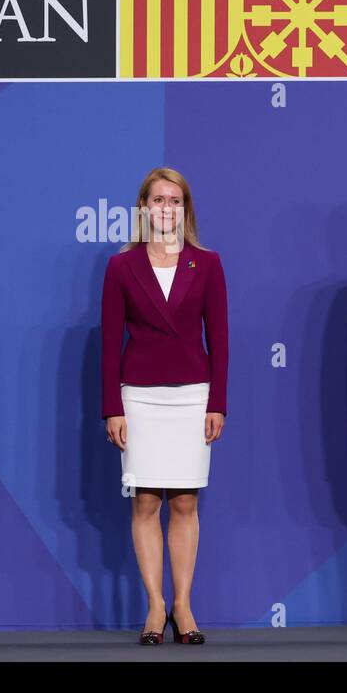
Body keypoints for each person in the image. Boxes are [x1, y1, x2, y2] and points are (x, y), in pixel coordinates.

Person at [101, 167, 228, 646]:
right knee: (146, 500)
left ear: (185, 209)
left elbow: (220, 338)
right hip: (139, 397)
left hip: (193, 396)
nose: (166, 208)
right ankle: (155, 606)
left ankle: (183, 604)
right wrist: (113, 408)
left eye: (175, 200)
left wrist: (217, 401)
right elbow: (110, 342)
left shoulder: (208, 263)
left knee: (186, 501)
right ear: (143, 208)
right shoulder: (121, 266)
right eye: (157, 200)